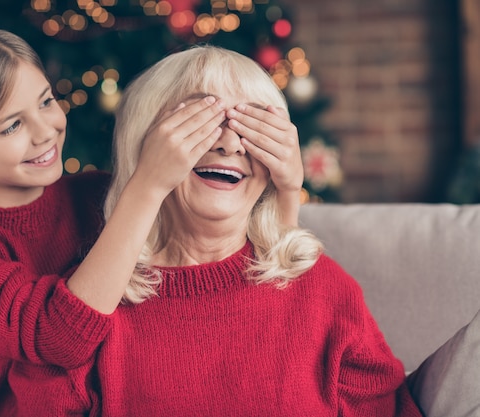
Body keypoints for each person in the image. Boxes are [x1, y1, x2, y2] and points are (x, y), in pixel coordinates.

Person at [0, 27, 303, 416]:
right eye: (11, 126)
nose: (45, 132)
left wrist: (286, 190)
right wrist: (147, 184)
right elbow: (57, 340)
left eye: (45, 102)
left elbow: (238, 277)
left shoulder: (98, 193)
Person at [91, 45, 423, 416]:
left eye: (251, 127)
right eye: (204, 121)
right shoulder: (93, 305)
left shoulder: (325, 290)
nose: (230, 144)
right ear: (145, 144)